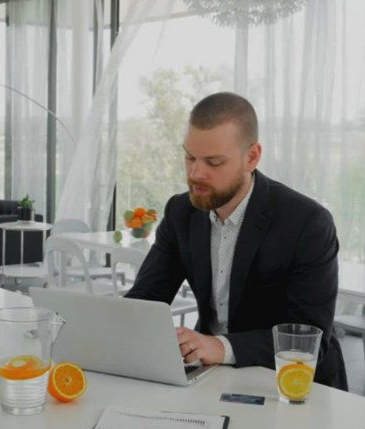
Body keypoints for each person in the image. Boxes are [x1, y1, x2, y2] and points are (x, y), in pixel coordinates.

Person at [124, 92, 348, 391]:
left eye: (213, 162)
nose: (195, 173)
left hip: (295, 385)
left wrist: (220, 346)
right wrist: (106, 326)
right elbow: (146, 298)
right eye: (190, 157)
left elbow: (307, 338)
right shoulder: (180, 211)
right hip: (212, 376)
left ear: (251, 157)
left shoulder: (307, 222)